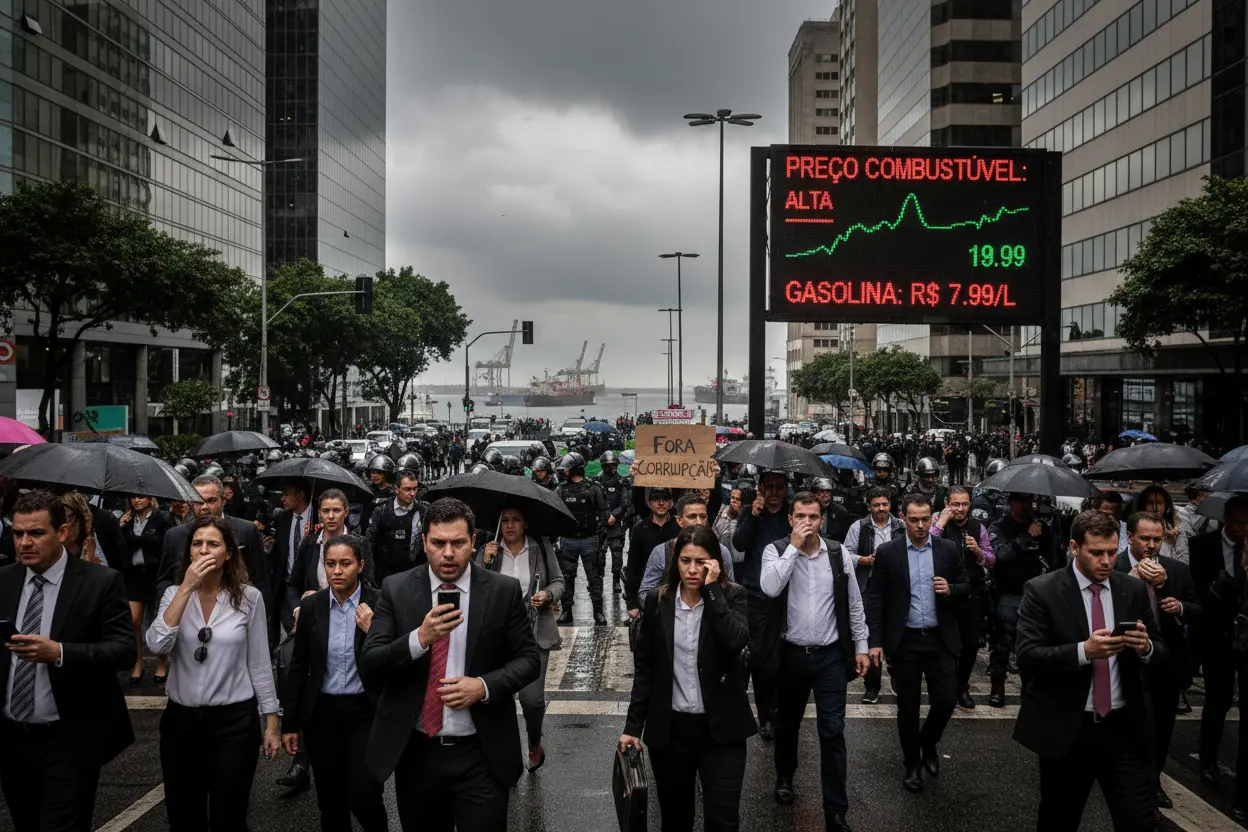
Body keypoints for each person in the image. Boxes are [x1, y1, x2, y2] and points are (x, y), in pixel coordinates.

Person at [359, 498, 540, 832]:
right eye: (438, 543)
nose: (448, 553)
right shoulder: (397, 589)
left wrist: (483, 686)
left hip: (481, 753)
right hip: (418, 754)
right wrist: (419, 638)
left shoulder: (502, 591)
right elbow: (371, 661)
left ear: (473, 542)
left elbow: (529, 660)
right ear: (424, 542)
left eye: (458, 543)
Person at [1013, 509, 1163, 832]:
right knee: (1058, 820)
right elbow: (1027, 655)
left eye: (1111, 552)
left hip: (1124, 728)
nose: (1106, 561)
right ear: (1074, 547)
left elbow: (1162, 649)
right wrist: (1084, 651)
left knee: (1138, 821)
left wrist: (1146, 647)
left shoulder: (1132, 590)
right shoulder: (1043, 590)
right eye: (1096, 552)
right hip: (1069, 728)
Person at [0, 490, 135, 832]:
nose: (25, 543)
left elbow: (123, 651)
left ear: (61, 532)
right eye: (18, 533)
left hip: (69, 741)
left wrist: (59, 653)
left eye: (36, 533)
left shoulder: (100, 582)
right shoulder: (4, 580)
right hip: (12, 741)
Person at [147, 515, 281, 830]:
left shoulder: (249, 598)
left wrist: (272, 721)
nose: (204, 550)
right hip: (181, 723)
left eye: (213, 544)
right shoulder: (172, 594)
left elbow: (259, 662)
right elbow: (157, 644)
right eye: (197, 544)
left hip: (234, 723)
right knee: (183, 817)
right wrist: (185, 588)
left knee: (228, 817)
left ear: (229, 553)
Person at [621, 525, 756, 832]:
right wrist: (632, 727)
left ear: (714, 563)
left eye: (701, 561)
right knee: (675, 820)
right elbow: (646, 669)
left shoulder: (732, 595)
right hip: (671, 732)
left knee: (723, 821)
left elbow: (736, 640)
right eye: (685, 561)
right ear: (675, 562)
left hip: (722, 731)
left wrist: (712, 591)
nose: (692, 569)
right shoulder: (657, 601)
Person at [760, 491, 868, 832]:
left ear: (822, 520)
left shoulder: (837, 553)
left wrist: (862, 645)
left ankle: (836, 810)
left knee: (832, 732)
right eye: (800, 516)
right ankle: (784, 776)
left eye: (813, 516)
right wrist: (793, 547)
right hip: (791, 654)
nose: (807, 522)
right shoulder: (775, 550)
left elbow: (853, 602)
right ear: (790, 519)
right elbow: (770, 588)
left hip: (829, 656)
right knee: (787, 724)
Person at [281, 535, 387, 832]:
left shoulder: (378, 602)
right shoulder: (312, 606)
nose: (337, 571)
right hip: (323, 714)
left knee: (364, 794)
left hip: (364, 712)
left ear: (360, 566)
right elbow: (298, 667)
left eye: (345, 563)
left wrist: (372, 629)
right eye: (330, 564)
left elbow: (392, 658)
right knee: (330, 799)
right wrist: (291, 724)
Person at [866, 492, 969, 793]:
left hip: (940, 639)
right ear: (904, 519)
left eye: (925, 519)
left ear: (932, 517)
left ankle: (928, 742)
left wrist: (951, 589)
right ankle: (912, 764)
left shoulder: (948, 550)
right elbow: (875, 598)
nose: (921, 526)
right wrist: (874, 641)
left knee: (947, 700)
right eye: (914, 520)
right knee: (907, 706)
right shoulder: (889, 552)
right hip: (905, 641)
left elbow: (967, 585)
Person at [1119, 510, 1200, 816]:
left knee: (1163, 726)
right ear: (1130, 537)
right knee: (1129, 725)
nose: (1151, 545)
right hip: (1126, 659)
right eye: (1145, 538)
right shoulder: (1114, 566)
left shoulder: (1177, 570)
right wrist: (1132, 580)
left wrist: (1176, 601)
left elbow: (1196, 607)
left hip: (1166, 662)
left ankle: (1153, 780)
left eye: (1157, 539)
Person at [475, 506, 565, 772]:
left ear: (526, 523)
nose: (510, 526)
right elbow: (473, 584)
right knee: (497, 697)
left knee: (531, 699)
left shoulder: (541, 547)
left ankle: (534, 740)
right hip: (497, 635)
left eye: (516, 520)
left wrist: (547, 595)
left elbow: (559, 581)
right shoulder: (490, 548)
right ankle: (504, 754)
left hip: (534, 633)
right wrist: (485, 562)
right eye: (505, 521)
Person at [1191, 494, 1248, 818]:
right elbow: (1194, 589)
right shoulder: (1202, 546)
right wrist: (1217, 588)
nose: (1243, 530)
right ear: (1226, 520)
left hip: (1245, 638)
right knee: (1217, 701)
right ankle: (1208, 758)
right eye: (1239, 523)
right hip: (1216, 636)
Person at [156, 475, 272, 630]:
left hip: (236, 615)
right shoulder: (174, 536)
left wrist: (265, 624)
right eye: (198, 501)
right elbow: (164, 581)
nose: (204, 507)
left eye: (211, 501)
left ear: (223, 500)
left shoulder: (246, 530)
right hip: (186, 617)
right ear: (190, 502)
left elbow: (260, 578)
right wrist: (164, 616)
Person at [732, 470, 793, 741]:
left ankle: (782, 709)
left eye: (779, 487)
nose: (774, 492)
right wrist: (754, 516)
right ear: (761, 488)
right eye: (769, 487)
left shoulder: (792, 514)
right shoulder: (750, 512)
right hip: (756, 594)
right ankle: (766, 715)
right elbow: (739, 544)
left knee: (783, 657)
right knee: (759, 658)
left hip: (787, 593)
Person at [986, 493, 1060, 707]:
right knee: (1003, 644)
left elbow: (1054, 559)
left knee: (1032, 644)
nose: (1025, 505)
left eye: (1028, 501)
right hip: (1008, 593)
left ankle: (1029, 690)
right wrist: (1027, 536)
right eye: (1020, 500)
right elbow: (999, 556)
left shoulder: (1042, 528)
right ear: (1011, 502)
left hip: (1035, 594)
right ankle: (997, 689)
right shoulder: (999, 527)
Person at [932, 486, 994, 709]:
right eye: (955, 504)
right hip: (943, 592)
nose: (960, 509)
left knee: (970, 644)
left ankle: (962, 686)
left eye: (964, 504)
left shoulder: (978, 527)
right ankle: (945, 685)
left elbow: (991, 559)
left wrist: (978, 551)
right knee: (944, 643)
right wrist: (941, 522)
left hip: (971, 592)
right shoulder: (937, 521)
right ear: (947, 504)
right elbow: (926, 546)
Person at [842, 486, 905, 704]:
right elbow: (846, 554)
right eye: (876, 505)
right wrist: (863, 560)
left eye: (885, 504)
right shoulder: (858, 527)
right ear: (869, 506)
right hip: (868, 585)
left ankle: (898, 676)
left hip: (896, 586)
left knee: (897, 629)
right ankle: (872, 685)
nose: (881, 509)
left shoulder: (901, 526)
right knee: (870, 633)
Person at [639, 494, 735, 601]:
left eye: (703, 516)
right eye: (692, 516)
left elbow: (731, 593)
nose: (699, 522)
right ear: (679, 520)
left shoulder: (722, 552)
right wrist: (676, 603)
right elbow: (645, 594)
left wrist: (712, 588)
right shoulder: (662, 552)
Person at [120, 495, 172, 684]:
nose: (136, 500)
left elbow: (158, 543)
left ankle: (161, 663)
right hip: (133, 575)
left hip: (155, 574)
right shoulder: (126, 520)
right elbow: (122, 544)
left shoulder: (161, 518)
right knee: (134, 620)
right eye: (133, 497)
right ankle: (138, 662)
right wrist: (121, 528)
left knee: (159, 619)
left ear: (150, 499)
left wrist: (134, 539)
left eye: (141, 497)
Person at [554, 453, 609, 625]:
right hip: (568, 540)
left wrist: (601, 538)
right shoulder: (561, 489)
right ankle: (566, 611)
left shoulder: (594, 488)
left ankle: (598, 612)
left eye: (567, 468)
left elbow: (604, 513)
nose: (564, 471)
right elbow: (555, 513)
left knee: (594, 577)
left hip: (589, 539)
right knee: (567, 577)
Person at [624, 488, 680, 617]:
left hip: (675, 592)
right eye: (656, 499)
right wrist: (632, 603)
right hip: (648, 593)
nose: (661, 503)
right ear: (649, 503)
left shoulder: (679, 528)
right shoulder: (640, 530)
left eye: (665, 499)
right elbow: (633, 566)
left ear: (671, 502)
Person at [367, 469, 428, 581]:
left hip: (415, 572)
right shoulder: (381, 511)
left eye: (415, 489)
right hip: (387, 573)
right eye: (407, 489)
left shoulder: (423, 511)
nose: (412, 493)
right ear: (396, 489)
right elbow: (370, 542)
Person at [272, 482, 313, 637]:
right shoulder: (283, 517)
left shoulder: (317, 517)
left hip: (310, 586)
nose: (282, 499)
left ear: (300, 495)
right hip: (286, 586)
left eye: (287, 494)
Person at [596, 451, 631, 594]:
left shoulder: (623, 481)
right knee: (599, 555)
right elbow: (595, 502)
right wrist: (605, 516)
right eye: (608, 466)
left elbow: (625, 502)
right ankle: (598, 579)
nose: (611, 468)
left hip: (616, 523)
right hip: (601, 524)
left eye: (613, 465)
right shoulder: (597, 482)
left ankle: (616, 579)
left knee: (617, 555)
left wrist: (615, 516)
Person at [810, 477, 853, 542]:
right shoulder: (806, 510)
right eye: (821, 492)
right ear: (814, 494)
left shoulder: (840, 512)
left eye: (828, 491)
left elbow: (846, 538)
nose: (826, 496)